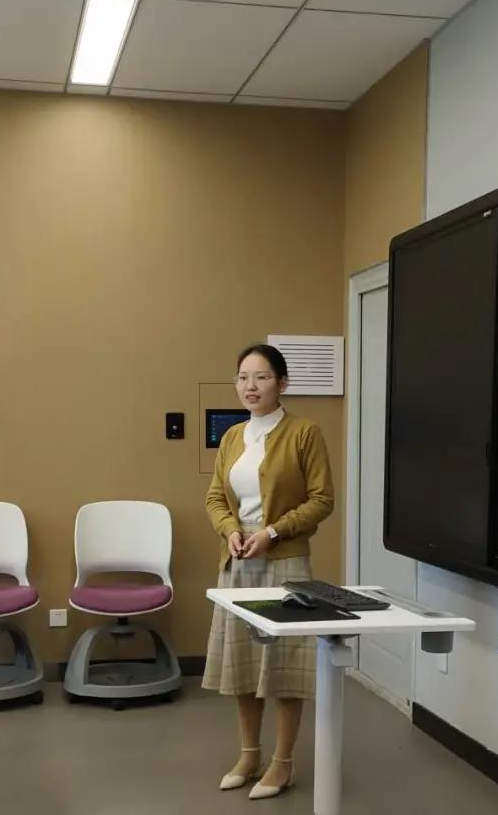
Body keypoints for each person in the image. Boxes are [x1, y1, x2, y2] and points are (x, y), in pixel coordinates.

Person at [202, 343, 334, 800]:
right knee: (243, 663)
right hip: (238, 562)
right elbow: (215, 497)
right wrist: (229, 531)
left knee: (284, 665)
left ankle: (283, 763)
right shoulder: (232, 437)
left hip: (284, 561)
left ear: (282, 383)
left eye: (261, 377)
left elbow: (322, 500)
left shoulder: (304, 433)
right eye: (243, 377)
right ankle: (249, 755)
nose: (250, 386)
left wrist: (273, 532)